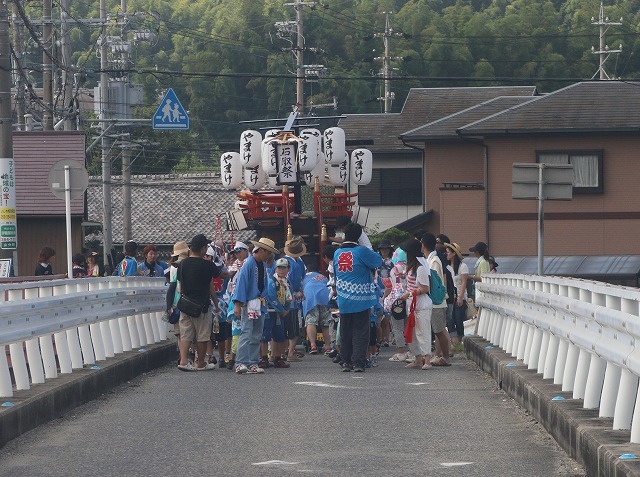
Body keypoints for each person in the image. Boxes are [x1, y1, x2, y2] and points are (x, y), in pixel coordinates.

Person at [334, 222, 381, 372]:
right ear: (359, 236)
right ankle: (358, 362)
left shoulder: (337, 253)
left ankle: (346, 361)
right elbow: (377, 261)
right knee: (361, 331)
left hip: (343, 297)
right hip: (360, 298)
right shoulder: (361, 251)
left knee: (345, 331)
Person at [233, 237, 280, 374]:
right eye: (268, 252)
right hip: (249, 303)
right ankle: (241, 362)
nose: (269, 256)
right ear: (261, 250)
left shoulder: (263, 265)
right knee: (247, 332)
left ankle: (253, 361)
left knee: (256, 334)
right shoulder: (248, 264)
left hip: (259, 303)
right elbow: (241, 285)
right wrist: (238, 304)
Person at [176, 234, 222, 371]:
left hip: (185, 304)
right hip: (201, 305)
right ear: (202, 248)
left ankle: (183, 361)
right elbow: (219, 276)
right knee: (202, 335)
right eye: (206, 247)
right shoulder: (208, 265)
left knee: (185, 334)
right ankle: (200, 362)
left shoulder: (182, 264)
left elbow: (180, 284)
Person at [397, 238, 433, 370]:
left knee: (423, 332)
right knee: (412, 333)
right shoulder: (412, 267)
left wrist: (410, 294)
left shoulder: (421, 268)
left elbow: (425, 288)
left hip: (421, 305)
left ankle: (427, 359)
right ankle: (418, 358)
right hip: (412, 305)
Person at [421, 233, 451, 366]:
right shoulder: (432, 259)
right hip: (436, 300)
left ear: (423, 245)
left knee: (439, 330)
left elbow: (432, 282)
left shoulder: (433, 261)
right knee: (439, 330)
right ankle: (440, 355)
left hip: (436, 301)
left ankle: (445, 356)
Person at [261, 257, 290, 368]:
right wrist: (282, 310)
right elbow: (271, 296)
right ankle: (264, 358)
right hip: (270, 311)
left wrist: (286, 309)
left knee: (279, 335)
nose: (281, 270)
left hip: (280, 313)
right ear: (275, 269)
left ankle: (278, 358)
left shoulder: (287, 282)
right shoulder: (272, 281)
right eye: (279, 268)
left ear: (288, 269)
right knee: (265, 335)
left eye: (284, 268)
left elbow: (289, 296)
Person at [283, 236, 307, 362]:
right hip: (291, 296)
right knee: (293, 326)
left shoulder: (286, 261)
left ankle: (285, 350)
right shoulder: (294, 263)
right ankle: (290, 352)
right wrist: (296, 292)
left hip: (287, 295)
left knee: (285, 325)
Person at [302, 269, 332, 356]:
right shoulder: (324, 277)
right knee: (326, 322)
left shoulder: (304, 277)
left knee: (311, 321)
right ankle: (327, 346)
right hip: (324, 295)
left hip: (310, 296)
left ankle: (313, 345)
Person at [445, 242, 469, 347]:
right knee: (450, 319)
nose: (446, 254)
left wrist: (460, 297)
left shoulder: (463, 266)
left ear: (454, 253)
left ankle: (460, 340)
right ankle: (454, 341)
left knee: (459, 319)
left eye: (448, 252)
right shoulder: (447, 267)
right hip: (450, 297)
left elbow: (464, 282)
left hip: (460, 296)